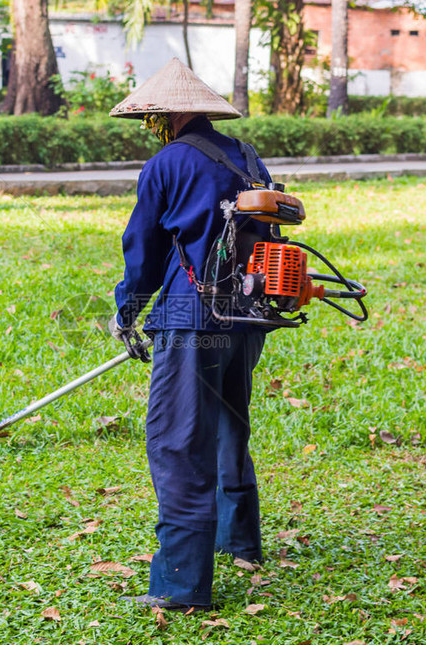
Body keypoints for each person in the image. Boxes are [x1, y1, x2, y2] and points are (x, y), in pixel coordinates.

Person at [107, 58, 277, 611]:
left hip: (193, 322)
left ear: (173, 113)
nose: (150, 124)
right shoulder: (248, 156)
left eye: (153, 115)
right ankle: (241, 543)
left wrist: (127, 309)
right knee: (228, 421)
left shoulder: (167, 164)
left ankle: (180, 586)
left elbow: (145, 252)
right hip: (249, 318)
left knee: (178, 440)